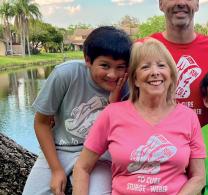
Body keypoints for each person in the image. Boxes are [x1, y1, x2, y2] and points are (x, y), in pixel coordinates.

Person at [73, 38, 206, 195]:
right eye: (145, 67)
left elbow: (199, 177)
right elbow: (82, 167)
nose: (155, 72)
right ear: (135, 79)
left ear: (170, 75)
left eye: (161, 65)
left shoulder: (188, 117)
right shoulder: (112, 114)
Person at [22, 26, 132, 195]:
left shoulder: (127, 86)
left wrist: (114, 103)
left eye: (120, 67)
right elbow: (41, 123)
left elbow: (122, 133)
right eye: (105, 65)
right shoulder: (65, 74)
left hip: (100, 154)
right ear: (88, 60)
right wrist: (56, 170)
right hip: (60, 148)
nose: (113, 74)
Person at [151, 0, 208, 126]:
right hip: (160, 141)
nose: (181, 3)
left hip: (206, 141)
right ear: (160, 4)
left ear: (197, 4)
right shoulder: (144, 48)